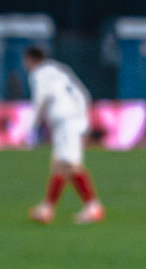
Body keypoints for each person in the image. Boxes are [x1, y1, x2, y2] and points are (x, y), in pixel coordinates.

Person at [23, 44, 105, 224]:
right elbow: (84, 94)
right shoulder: (60, 70)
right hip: (73, 118)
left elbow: (40, 99)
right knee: (61, 163)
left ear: (29, 59)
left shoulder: (38, 74)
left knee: (69, 164)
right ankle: (48, 208)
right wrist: (84, 120)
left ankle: (93, 207)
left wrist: (31, 128)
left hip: (64, 121)